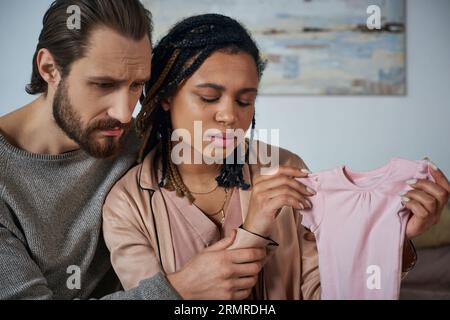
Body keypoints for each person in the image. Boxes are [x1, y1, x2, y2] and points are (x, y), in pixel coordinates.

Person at [102, 13, 450, 299]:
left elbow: (324, 290)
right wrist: (254, 228)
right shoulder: (127, 205)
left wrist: (395, 238)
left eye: (244, 100)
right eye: (209, 97)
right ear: (165, 97)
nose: (229, 116)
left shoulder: (286, 169)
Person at [0, 1, 266, 300]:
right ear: (49, 68)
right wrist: (179, 288)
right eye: (103, 84)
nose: (126, 114)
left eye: (136, 85)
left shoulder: (143, 134)